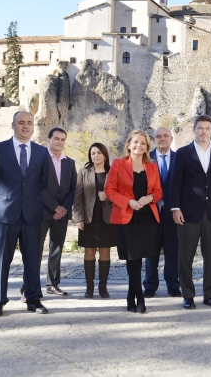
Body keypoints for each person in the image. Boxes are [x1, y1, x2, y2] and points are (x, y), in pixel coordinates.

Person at [0, 111, 50, 317]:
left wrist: (30, 200)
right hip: (4, 214)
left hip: (31, 214)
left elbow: (43, 181)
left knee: (32, 259)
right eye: (21, 123)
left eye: (29, 123)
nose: (25, 126)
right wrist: (3, 199)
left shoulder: (41, 152)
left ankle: (33, 299)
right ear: (13, 125)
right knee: (2, 259)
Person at [170, 115, 211, 309]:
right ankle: (187, 295)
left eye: (207, 128)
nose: (203, 131)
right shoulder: (182, 153)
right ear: (194, 130)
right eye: (200, 128)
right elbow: (175, 183)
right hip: (187, 212)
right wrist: (175, 208)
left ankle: (210, 295)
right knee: (185, 255)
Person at [104, 130, 162, 313]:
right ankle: (141, 298)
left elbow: (159, 191)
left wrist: (150, 198)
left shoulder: (152, 166)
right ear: (129, 144)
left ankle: (131, 296)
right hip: (126, 218)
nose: (139, 146)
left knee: (140, 258)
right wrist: (128, 202)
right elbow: (109, 190)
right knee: (132, 260)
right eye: (136, 142)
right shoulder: (119, 164)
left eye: (143, 143)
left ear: (147, 147)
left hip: (147, 219)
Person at [22, 128, 77, 298]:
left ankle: (52, 284)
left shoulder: (70, 162)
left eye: (62, 139)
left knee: (57, 249)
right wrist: (55, 207)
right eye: (56, 138)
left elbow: (74, 188)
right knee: (35, 250)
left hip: (62, 215)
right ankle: (28, 287)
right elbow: (38, 186)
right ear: (48, 140)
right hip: (41, 212)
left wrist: (64, 208)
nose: (60, 142)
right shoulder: (39, 159)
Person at [74, 143, 117, 298]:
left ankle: (103, 288)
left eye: (99, 153)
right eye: (93, 153)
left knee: (105, 252)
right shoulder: (83, 172)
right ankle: (89, 288)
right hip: (89, 219)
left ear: (105, 155)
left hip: (107, 219)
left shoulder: (113, 172)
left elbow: (120, 194)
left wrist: (108, 196)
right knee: (89, 252)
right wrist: (78, 218)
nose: (96, 156)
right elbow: (78, 197)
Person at [143, 127, 181, 298]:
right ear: (153, 140)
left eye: (166, 136)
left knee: (173, 251)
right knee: (151, 251)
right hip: (151, 213)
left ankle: (173, 285)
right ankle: (150, 285)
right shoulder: (145, 159)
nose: (162, 139)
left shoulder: (180, 158)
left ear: (171, 139)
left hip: (173, 214)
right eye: (158, 136)